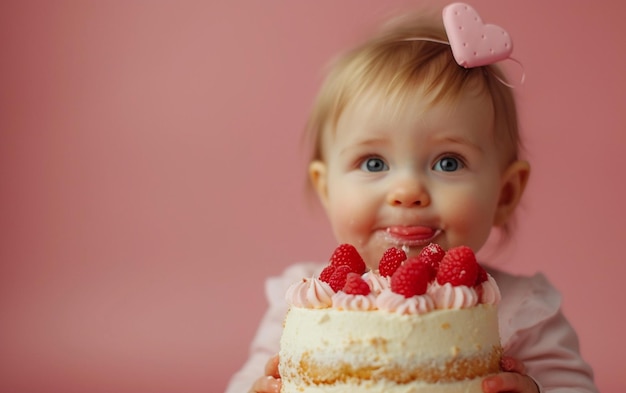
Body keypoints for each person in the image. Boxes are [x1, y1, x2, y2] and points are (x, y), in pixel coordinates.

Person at [226, 4, 598, 393]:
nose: (407, 192)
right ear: (326, 189)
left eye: (449, 162)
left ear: (505, 194)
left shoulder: (524, 311)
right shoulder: (304, 303)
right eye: (373, 163)